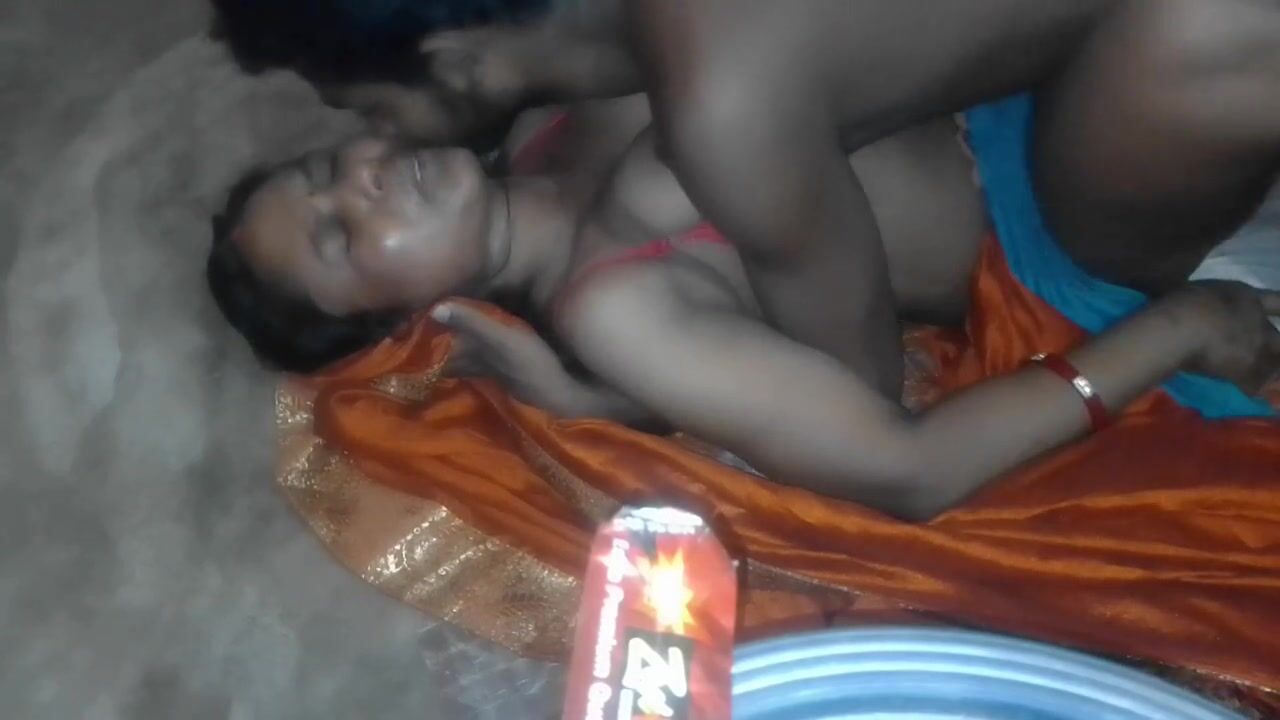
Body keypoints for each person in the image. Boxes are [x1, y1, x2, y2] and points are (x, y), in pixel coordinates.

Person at [208, 95, 1280, 521]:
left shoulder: (544, 121)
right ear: (410, 319)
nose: (362, 184)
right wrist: (1180, 330)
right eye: (341, 237)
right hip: (1078, 226)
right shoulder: (619, 311)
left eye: (324, 169)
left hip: (1017, 92)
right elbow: (906, 472)